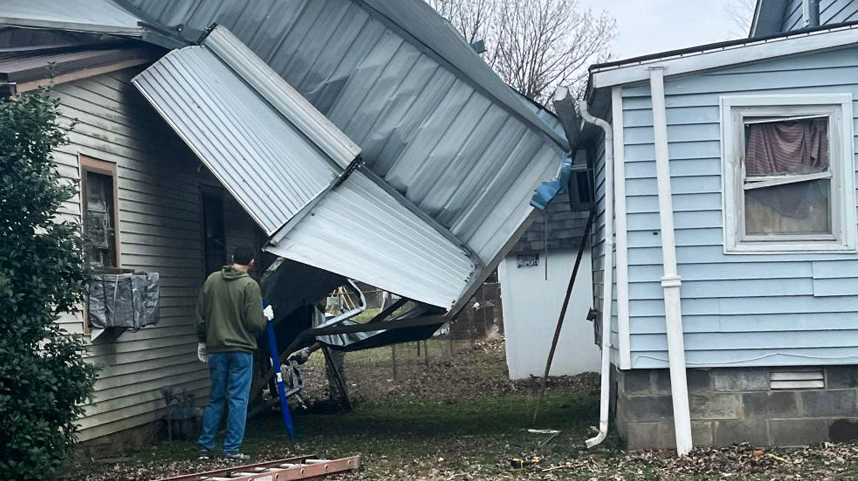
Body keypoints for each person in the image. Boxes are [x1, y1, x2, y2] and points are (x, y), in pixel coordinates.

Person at [195, 246, 273, 460]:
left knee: (216, 397)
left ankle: (205, 447)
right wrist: (266, 317)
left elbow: (201, 315)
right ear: (251, 263)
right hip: (241, 349)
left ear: (231, 259)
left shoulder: (211, 280)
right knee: (237, 399)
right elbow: (254, 323)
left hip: (215, 348)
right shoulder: (250, 285)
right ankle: (232, 449)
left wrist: (202, 340)